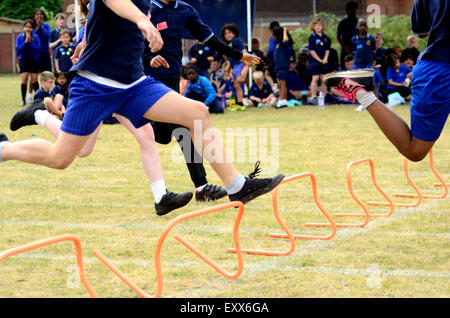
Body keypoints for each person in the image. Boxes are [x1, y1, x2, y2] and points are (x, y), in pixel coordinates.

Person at [0, 0, 284, 213]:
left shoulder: (162, 5)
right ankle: (4, 149)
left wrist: (87, 38)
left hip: (134, 84)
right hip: (95, 86)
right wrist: (143, 22)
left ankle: (236, 187)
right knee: (62, 157)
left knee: (197, 112)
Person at [143, 0, 261, 200]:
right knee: (178, 128)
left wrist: (238, 55)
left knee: (171, 131)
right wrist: (148, 59)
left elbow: (209, 39)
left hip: (171, 79)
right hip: (146, 80)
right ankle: (201, 186)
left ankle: (201, 186)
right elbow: (130, 43)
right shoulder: (145, 9)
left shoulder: (185, 10)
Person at [325, 0, 449, 163]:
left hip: (435, 65)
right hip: (440, 70)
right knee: (415, 149)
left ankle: (363, 92)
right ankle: (363, 93)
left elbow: (423, 32)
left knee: (415, 149)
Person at [221, 23, 248, 111]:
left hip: (241, 63)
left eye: (229, 32)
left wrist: (246, 63)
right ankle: (240, 104)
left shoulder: (236, 41)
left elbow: (243, 50)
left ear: (234, 33)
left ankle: (240, 103)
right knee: (236, 84)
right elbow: (229, 59)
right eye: (225, 33)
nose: (227, 35)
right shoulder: (228, 45)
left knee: (239, 80)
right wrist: (227, 68)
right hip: (235, 66)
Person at [15, 19, 41, 106]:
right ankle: (23, 100)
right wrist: (25, 42)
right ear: (23, 28)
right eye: (26, 27)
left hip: (34, 61)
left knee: (34, 79)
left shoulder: (36, 37)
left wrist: (31, 42)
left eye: (30, 27)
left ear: (33, 29)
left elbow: (38, 48)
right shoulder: (19, 37)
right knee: (24, 79)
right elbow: (18, 49)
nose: (28, 29)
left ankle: (38, 100)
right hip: (24, 61)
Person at [308, 18, 330, 99]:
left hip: (324, 61)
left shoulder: (325, 37)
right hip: (314, 61)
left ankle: (325, 95)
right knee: (315, 78)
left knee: (323, 78)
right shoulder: (312, 37)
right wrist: (319, 60)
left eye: (319, 25)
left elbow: (327, 50)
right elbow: (311, 50)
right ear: (313, 27)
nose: (318, 27)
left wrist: (325, 59)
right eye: (316, 25)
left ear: (322, 26)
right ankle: (313, 95)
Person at [272, 26, 292, 108]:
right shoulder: (277, 44)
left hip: (283, 66)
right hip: (278, 67)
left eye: (274, 35)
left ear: (279, 36)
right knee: (279, 84)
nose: (273, 37)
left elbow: (286, 39)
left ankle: (283, 100)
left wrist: (284, 31)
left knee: (283, 84)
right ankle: (281, 99)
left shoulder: (284, 43)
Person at [337, 1, 359, 69]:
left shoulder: (359, 21)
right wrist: (344, 47)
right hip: (346, 49)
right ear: (347, 10)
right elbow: (338, 36)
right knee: (344, 68)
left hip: (357, 48)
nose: (354, 11)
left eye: (355, 9)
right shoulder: (343, 22)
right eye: (351, 9)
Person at [31, 9, 52, 73]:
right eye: (37, 14)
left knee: (47, 74)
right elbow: (31, 36)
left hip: (45, 53)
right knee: (33, 75)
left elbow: (48, 36)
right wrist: (37, 28)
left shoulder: (46, 25)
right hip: (34, 54)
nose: (39, 16)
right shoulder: (31, 25)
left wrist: (41, 28)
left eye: (41, 14)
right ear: (34, 16)